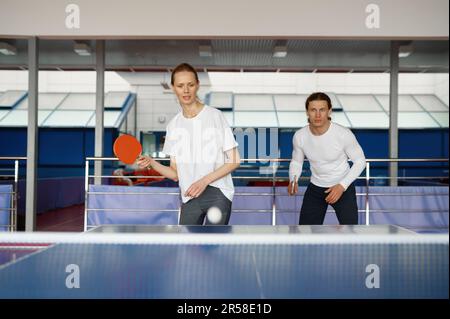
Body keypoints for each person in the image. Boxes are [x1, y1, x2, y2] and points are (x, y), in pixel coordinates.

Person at [137, 63, 240, 225]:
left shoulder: (215, 116)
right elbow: (175, 173)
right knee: (186, 246)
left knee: (214, 247)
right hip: (189, 196)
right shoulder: (173, 126)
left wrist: (204, 181)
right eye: (180, 85)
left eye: (190, 85)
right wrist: (152, 162)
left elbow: (234, 160)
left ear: (197, 85)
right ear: (173, 88)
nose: (186, 90)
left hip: (218, 193)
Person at [288, 92, 366, 225]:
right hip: (315, 188)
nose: (318, 114)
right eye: (313, 110)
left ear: (329, 111)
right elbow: (297, 161)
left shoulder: (343, 134)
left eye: (322, 110)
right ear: (307, 112)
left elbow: (360, 162)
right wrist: (293, 179)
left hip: (343, 187)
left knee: (350, 233)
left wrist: (342, 186)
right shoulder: (300, 136)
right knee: (305, 234)